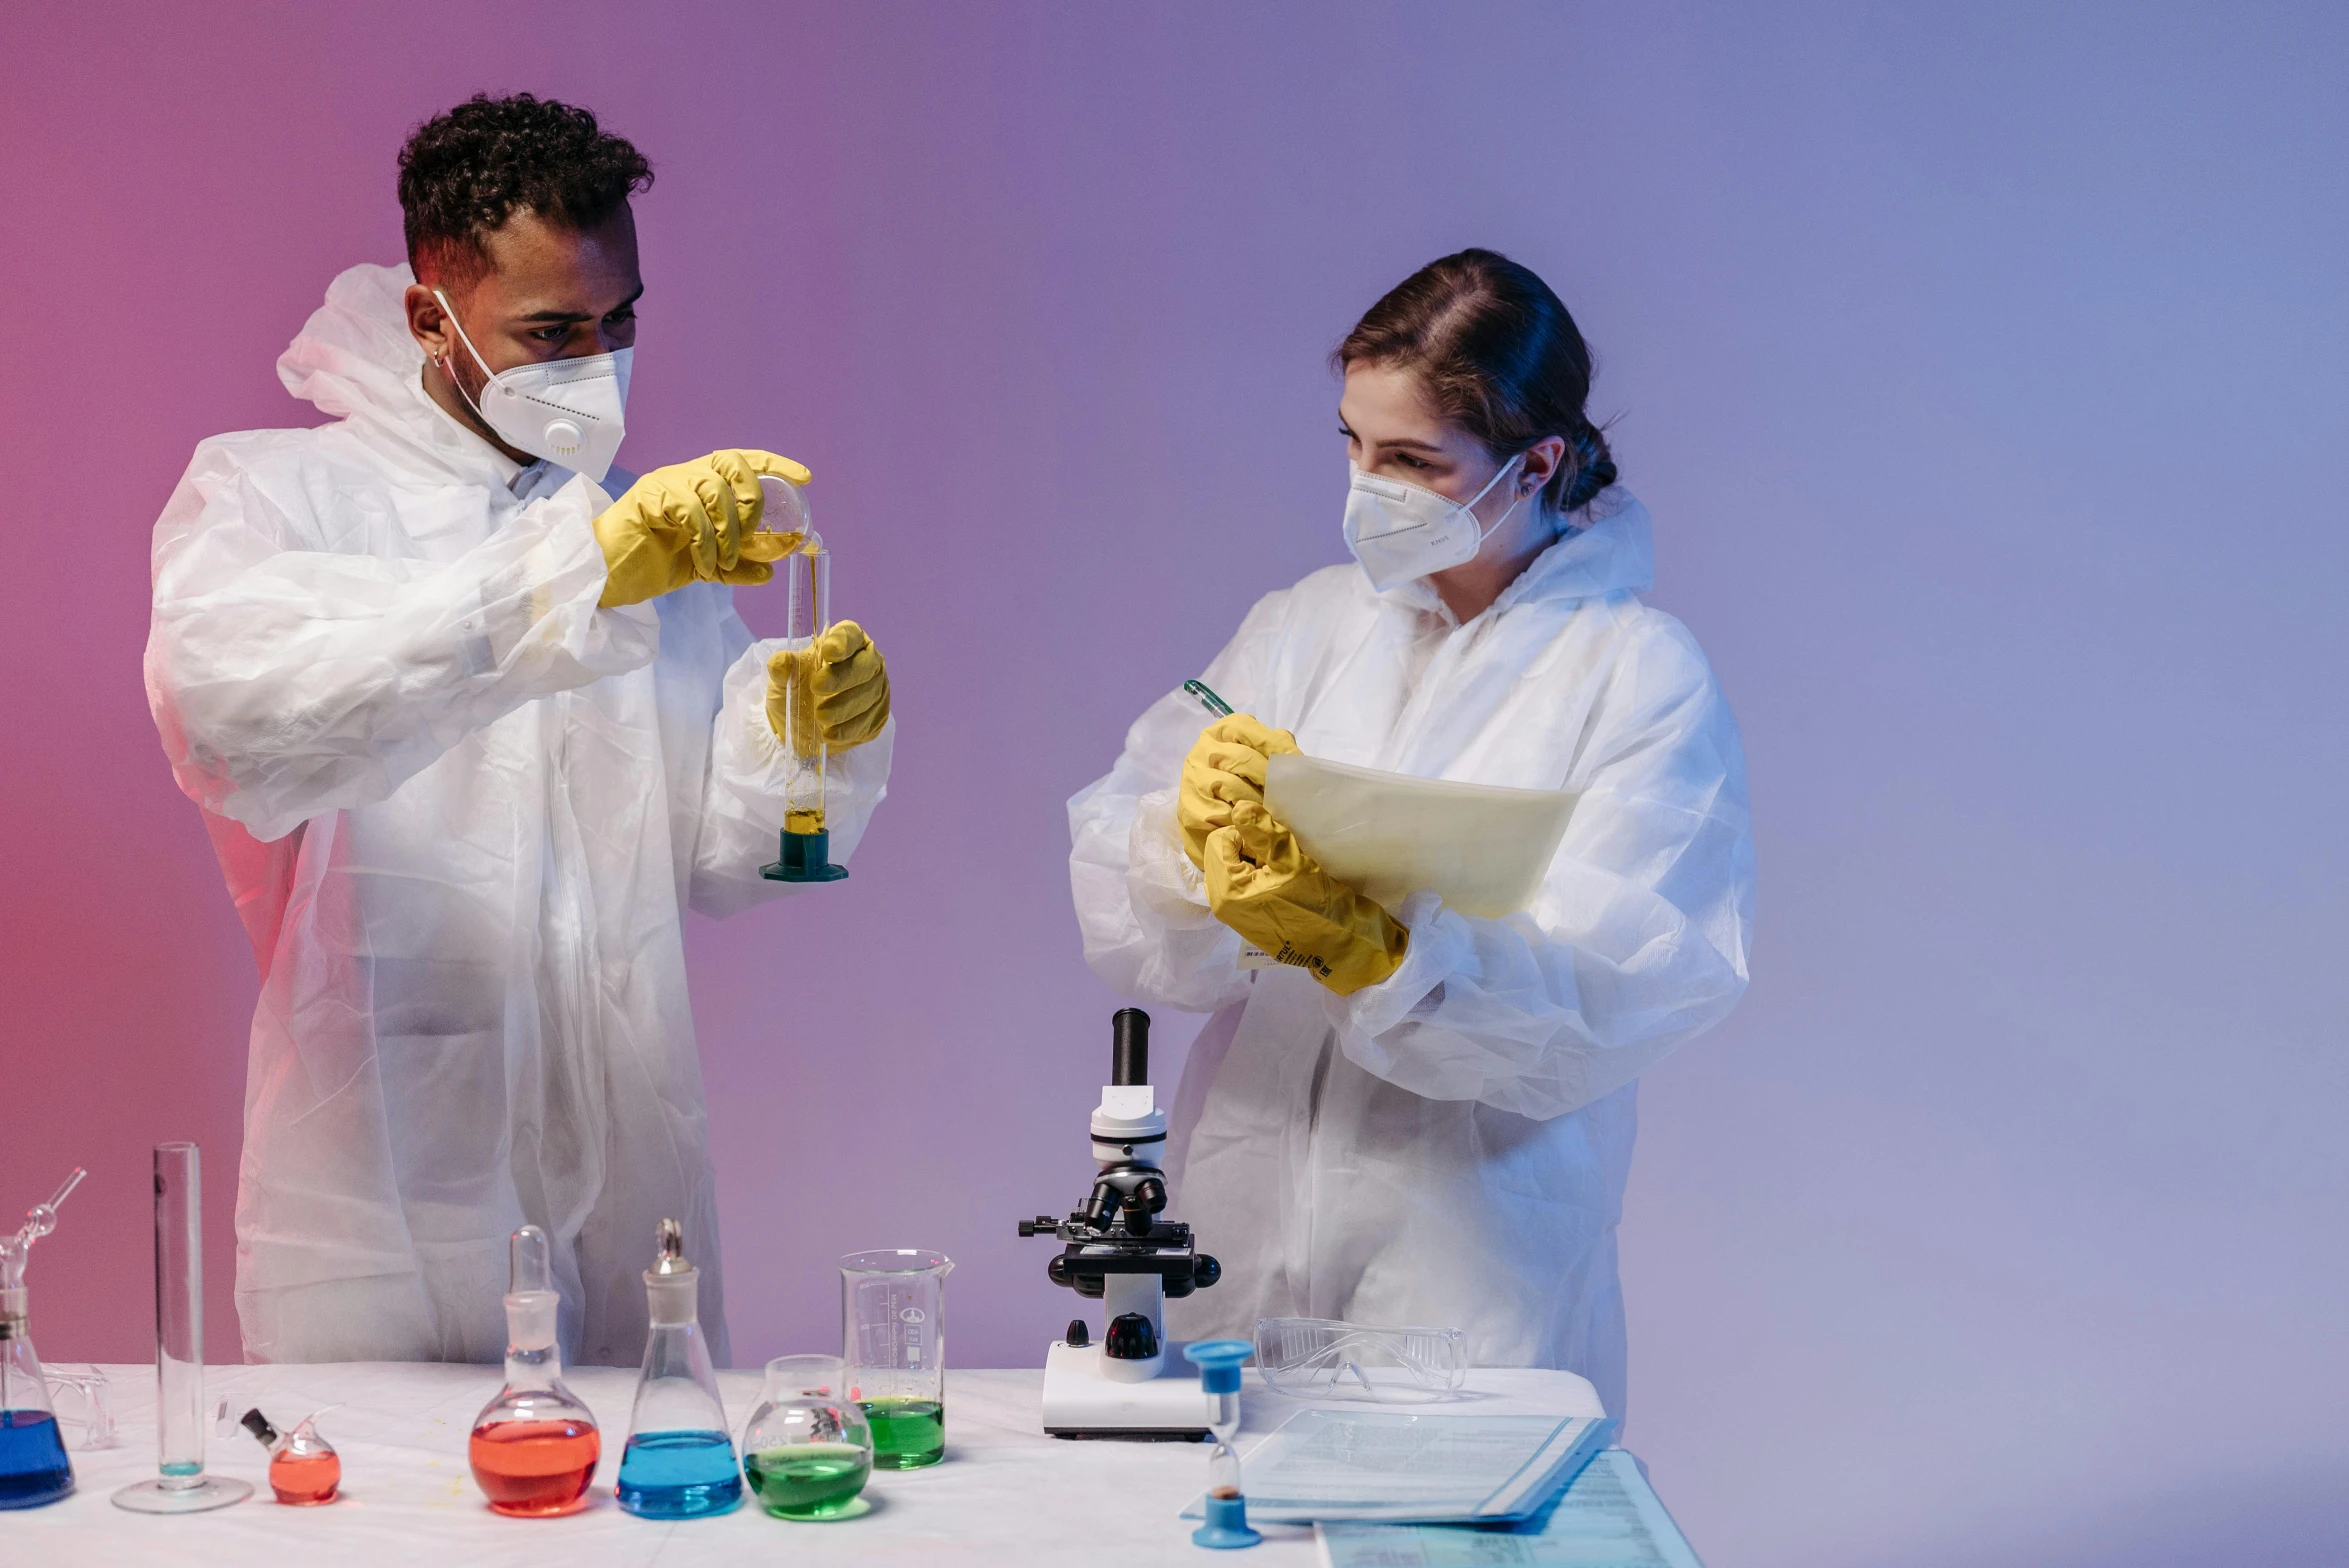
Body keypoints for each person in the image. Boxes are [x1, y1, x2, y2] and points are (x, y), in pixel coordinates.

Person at [145, 94, 894, 1367]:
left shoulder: (635, 538)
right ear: (431, 317)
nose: (597, 365)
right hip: (373, 1208)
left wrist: (800, 744)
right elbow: (238, 722)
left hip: (626, 1198)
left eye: (622, 320)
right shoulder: (279, 496)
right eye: (551, 332)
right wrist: (572, 579)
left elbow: (719, 863)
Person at [1068, 250, 1753, 1418]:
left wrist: (1387, 955)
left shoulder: (1637, 677)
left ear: (1537, 462)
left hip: (1470, 1262)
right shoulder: (1306, 626)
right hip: (1242, 1221)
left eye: (1411, 460)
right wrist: (1192, 854)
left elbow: (1621, 988)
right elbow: (1121, 882)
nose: (1362, 487)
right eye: (1351, 442)